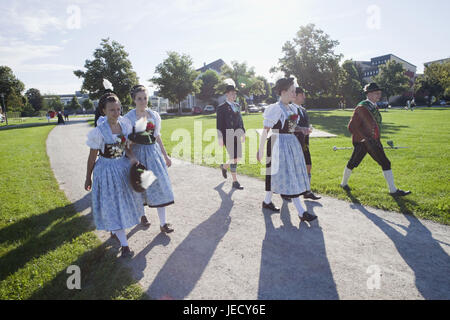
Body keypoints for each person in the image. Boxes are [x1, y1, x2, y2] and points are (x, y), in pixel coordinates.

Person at [84, 92, 144, 258]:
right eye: (112, 110)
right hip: (107, 171)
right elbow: (91, 158)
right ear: (103, 111)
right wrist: (88, 177)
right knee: (113, 205)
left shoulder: (124, 126)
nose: (116, 113)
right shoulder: (99, 132)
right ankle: (125, 245)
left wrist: (134, 160)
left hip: (123, 168)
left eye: (118, 109)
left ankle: (115, 230)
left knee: (123, 203)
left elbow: (127, 149)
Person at [257, 77, 317, 223]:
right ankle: (302, 212)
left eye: (295, 91)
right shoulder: (275, 109)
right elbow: (266, 130)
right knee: (288, 175)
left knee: (279, 176)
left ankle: (266, 201)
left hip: (291, 144)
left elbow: (291, 128)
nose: (294, 94)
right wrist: (260, 149)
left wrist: (302, 129)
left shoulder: (292, 108)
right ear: (283, 92)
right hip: (278, 144)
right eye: (292, 91)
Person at [340, 82, 411, 196]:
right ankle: (393, 190)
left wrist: (376, 139)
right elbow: (352, 127)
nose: (379, 96)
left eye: (379, 93)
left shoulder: (373, 106)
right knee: (382, 162)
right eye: (377, 93)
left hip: (374, 141)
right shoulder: (362, 107)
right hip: (364, 142)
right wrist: (364, 139)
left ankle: (343, 184)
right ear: (369, 94)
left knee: (357, 162)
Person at [124, 85, 175, 233]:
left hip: (153, 154)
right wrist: (133, 141)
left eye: (145, 98)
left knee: (160, 187)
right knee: (140, 186)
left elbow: (157, 136)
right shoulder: (128, 118)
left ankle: (163, 223)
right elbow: (125, 142)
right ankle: (142, 215)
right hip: (138, 156)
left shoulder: (153, 115)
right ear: (134, 99)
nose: (142, 101)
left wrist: (165, 155)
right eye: (139, 98)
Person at [292, 87, 321, 200]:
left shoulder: (303, 110)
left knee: (308, 165)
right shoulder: (292, 109)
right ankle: (289, 191)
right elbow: (291, 127)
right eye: (302, 95)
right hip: (295, 143)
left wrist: (308, 128)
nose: (304, 97)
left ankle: (307, 191)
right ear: (296, 95)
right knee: (294, 168)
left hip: (304, 143)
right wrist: (303, 129)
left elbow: (303, 125)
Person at [216, 83, 246, 190]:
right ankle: (235, 181)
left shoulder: (237, 106)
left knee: (237, 158)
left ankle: (224, 166)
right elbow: (219, 124)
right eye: (232, 94)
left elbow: (240, 121)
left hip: (237, 134)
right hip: (227, 135)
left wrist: (243, 132)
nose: (234, 96)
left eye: (235, 94)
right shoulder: (221, 108)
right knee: (234, 157)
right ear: (227, 94)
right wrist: (220, 138)